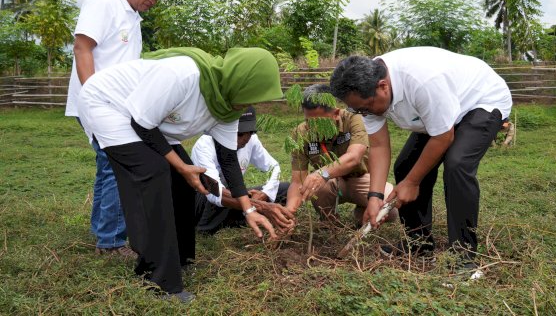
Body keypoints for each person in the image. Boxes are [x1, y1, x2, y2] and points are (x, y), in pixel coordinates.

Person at [77, 47, 283, 302]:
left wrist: (249, 209)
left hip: (146, 120)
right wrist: (181, 166)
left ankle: (180, 258)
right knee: (153, 174)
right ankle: (158, 280)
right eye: (249, 95)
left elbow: (228, 159)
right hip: (108, 105)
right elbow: (140, 124)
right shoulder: (183, 75)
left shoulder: (228, 106)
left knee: (185, 184)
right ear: (237, 80)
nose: (248, 104)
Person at [330, 47, 512, 273]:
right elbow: (378, 145)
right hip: (442, 109)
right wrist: (375, 196)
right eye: (358, 110)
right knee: (405, 166)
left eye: (366, 108)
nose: (364, 113)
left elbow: (444, 136)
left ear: (383, 86)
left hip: (480, 100)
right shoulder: (366, 97)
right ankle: (418, 245)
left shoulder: (423, 82)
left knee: (457, 165)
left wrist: (412, 182)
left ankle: (463, 256)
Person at [64, 0, 170, 257]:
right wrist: (92, 97)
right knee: (115, 166)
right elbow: (82, 48)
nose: (153, 0)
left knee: (110, 166)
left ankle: (105, 231)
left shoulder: (134, 19)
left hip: (118, 106)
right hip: (97, 102)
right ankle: (110, 241)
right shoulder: (104, 4)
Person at [286, 84, 398, 227]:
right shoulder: (300, 133)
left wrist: (322, 173)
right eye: (309, 122)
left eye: (321, 122)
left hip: (360, 177)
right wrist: (289, 213)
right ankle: (330, 224)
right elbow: (297, 181)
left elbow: (354, 157)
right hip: (328, 183)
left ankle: (361, 213)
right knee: (318, 188)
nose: (314, 128)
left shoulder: (355, 118)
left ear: (336, 113)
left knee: (390, 208)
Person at [192, 106, 294, 234]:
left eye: (250, 132)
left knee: (285, 189)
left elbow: (273, 167)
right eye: (239, 134)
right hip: (203, 199)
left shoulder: (251, 141)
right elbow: (214, 191)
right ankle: (206, 227)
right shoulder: (204, 146)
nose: (245, 139)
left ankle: (237, 218)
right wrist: (259, 205)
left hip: (236, 196)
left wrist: (265, 193)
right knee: (227, 182)